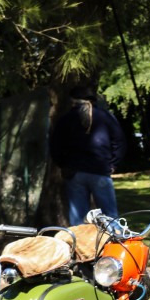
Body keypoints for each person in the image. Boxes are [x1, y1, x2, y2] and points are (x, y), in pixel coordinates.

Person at [50, 86, 126, 226]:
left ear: (73, 101)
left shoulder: (65, 120)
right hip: (100, 170)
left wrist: (63, 165)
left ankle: (79, 246)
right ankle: (115, 244)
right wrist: (113, 164)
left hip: (74, 172)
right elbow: (119, 142)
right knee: (110, 216)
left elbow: (55, 146)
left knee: (78, 219)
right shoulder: (106, 117)